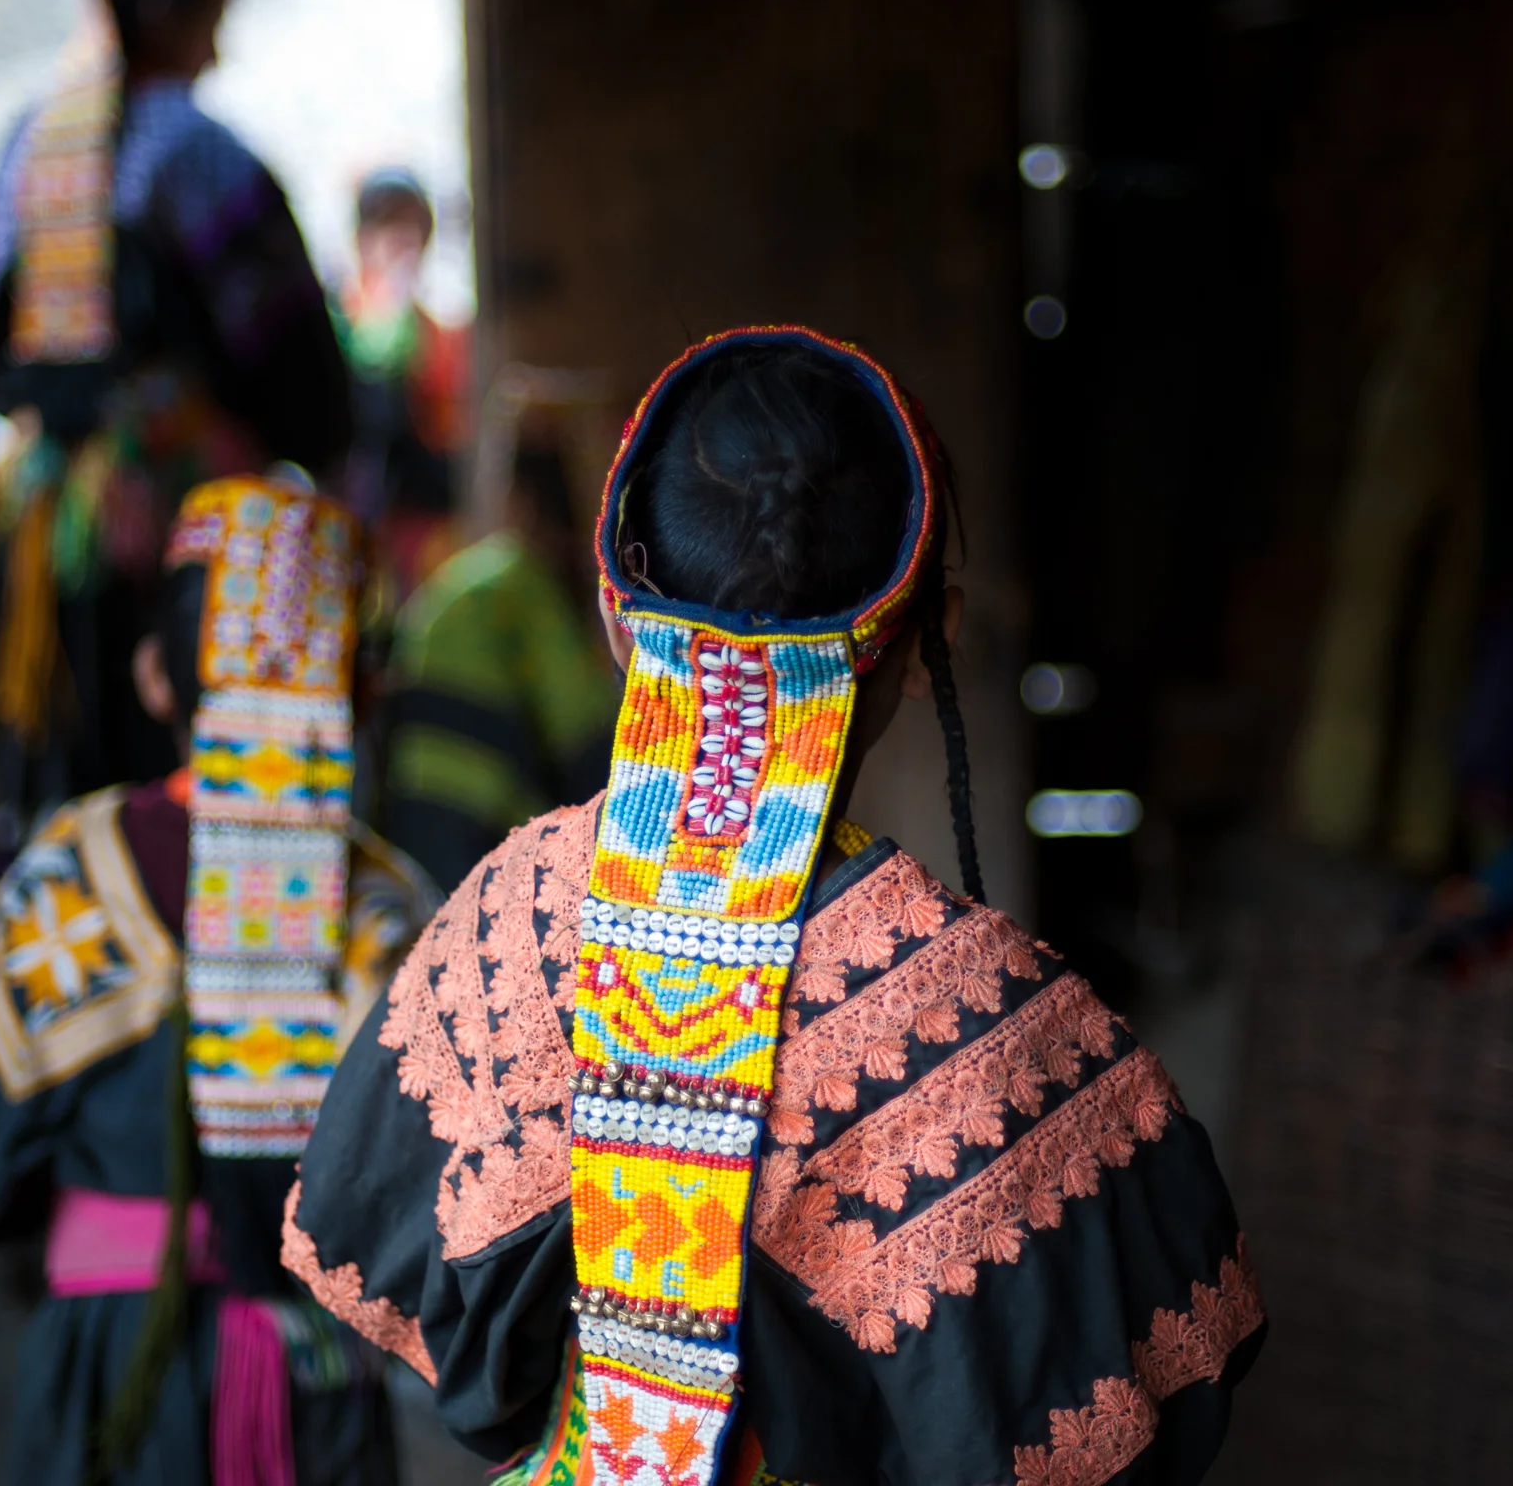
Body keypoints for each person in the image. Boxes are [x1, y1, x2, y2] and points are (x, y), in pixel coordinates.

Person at [281, 329, 1263, 1485]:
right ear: (924, 635)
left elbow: (379, 1263)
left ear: (618, 617)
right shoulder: (1005, 1024)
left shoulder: (510, 917)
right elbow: (1164, 1386)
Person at [0, 473, 429, 1486]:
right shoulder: (384, 906)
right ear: (358, 692)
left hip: (108, 1355)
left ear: (156, 677)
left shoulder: (60, 878)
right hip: (314, 1373)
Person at [0, 0, 353, 845]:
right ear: (171, 19)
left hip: (43, 522)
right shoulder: (195, 152)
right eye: (209, 27)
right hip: (179, 522)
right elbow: (285, 342)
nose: (215, 55)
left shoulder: (26, 144)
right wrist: (324, 442)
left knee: (62, 774)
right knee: (181, 766)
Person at [380, 395, 620, 893]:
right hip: (483, 820)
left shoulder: (464, 577)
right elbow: (585, 733)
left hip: (411, 807)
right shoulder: (524, 585)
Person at [332, 168, 471, 602]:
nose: (400, 239)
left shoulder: (446, 339)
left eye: (412, 226)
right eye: (386, 223)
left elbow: (454, 437)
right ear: (360, 239)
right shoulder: (335, 327)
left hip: (419, 532)